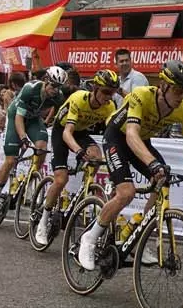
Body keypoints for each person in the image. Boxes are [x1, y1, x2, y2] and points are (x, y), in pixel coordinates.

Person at [76, 61, 183, 272]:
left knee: (163, 179)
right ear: (164, 85)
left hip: (142, 141)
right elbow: (132, 134)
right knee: (126, 193)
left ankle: (138, 236)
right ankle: (90, 237)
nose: (182, 96)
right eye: (178, 90)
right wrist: (152, 163)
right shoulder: (141, 95)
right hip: (118, 137)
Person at [35, 69, 120, 244]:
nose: (108, 97)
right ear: (95, 88)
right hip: (62, 130)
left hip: (80, 132)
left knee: (96, 155)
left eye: (112, 93)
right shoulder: (79, 98)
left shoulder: (109, 107)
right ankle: (43, 220)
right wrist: (79, 152)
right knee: (60, 180)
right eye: (105, 92)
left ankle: (84, 189)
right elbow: (67, 134)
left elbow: (113, 134)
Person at [0, 66, 67, 221]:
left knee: (42, 147)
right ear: (46, 81)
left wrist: (47, 121)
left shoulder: (58, 96)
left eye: (59, 87)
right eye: (53, 86)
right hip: (16, 116)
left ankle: (31, 179)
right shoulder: (30, 89)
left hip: (34, 119)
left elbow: (58, 112)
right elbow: (18, 118)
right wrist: (23, 137)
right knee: (10, 160)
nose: (55, 90)